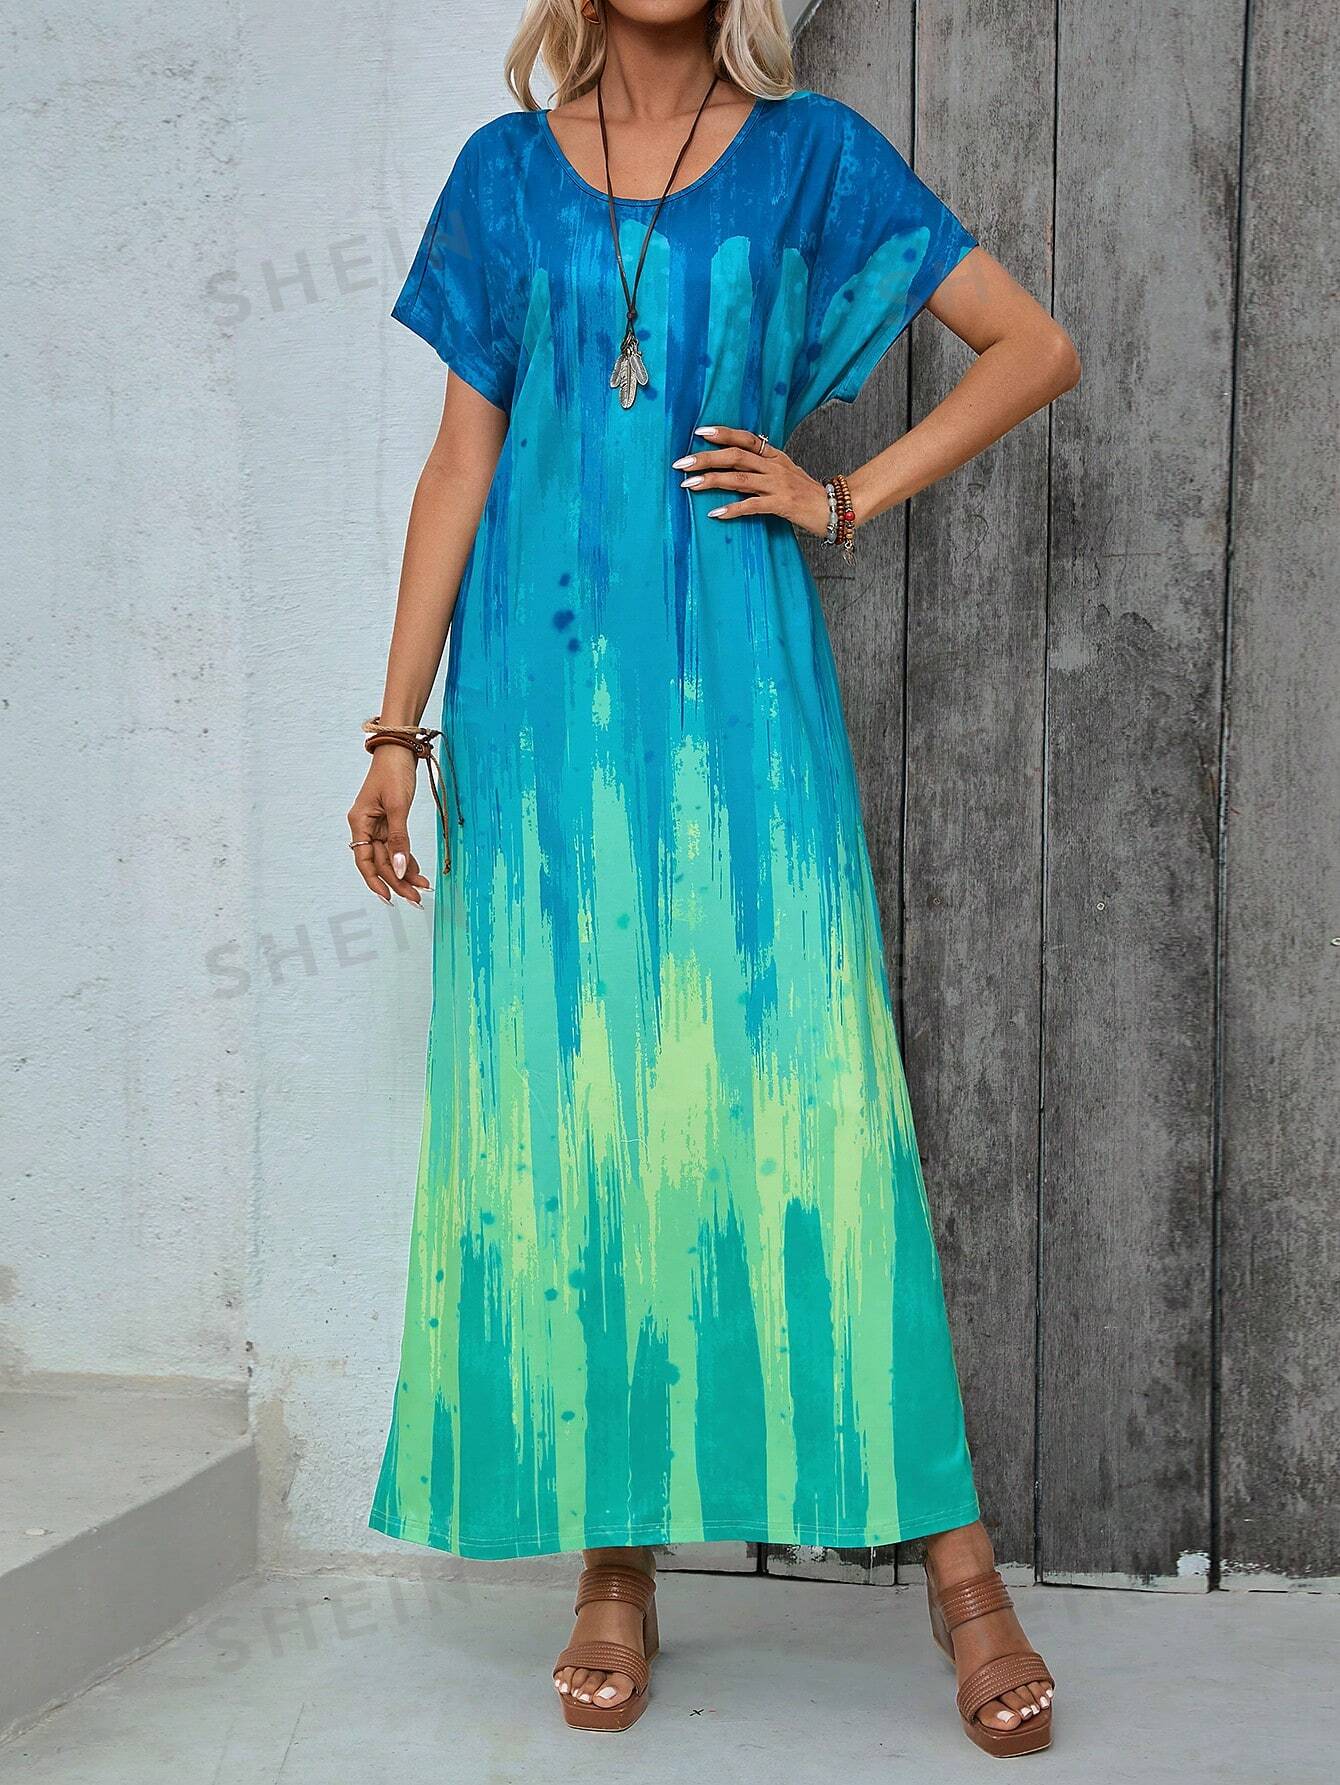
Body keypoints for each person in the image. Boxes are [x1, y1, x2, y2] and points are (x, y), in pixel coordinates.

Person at [354, 0, 1078, 1757]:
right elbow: (461, 462)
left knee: (817, 1111)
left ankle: (960, 1570)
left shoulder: (812, 156)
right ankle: (616, 1563)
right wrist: (392, 729)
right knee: (583, 1117)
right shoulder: (501, 175)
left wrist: (843, 500)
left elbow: (1032, 345)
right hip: (537, 722)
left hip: (741, 706)